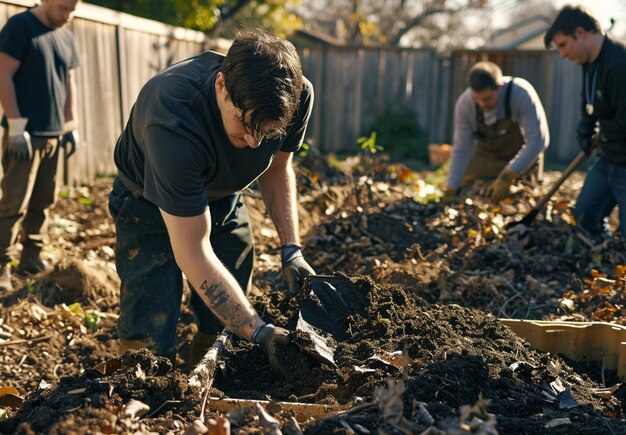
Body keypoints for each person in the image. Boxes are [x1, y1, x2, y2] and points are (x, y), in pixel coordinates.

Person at [108, 29, 316, 372]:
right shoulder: (172, 119)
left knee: (227, 311)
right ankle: (143, 389)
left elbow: (278, 168)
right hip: (146, 203)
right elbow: (194, 253)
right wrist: (259, 330)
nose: (253, 142)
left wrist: (291, 249)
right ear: (220, 86)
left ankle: (207, 377)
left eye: (265, 132)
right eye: (245, 123)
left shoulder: (296, 96)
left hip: (224, 196)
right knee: (149, 317)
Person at [0, 0, 80, 292]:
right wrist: (15, 126)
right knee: (13, 203)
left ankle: (31, 257)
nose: (68, 15)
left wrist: (71, 125)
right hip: (25, 134)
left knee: (43, 200)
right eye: (63, 8)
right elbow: (3, 74)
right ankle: (1, 266)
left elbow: (70, 81)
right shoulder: (21, 27)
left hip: (53, 135)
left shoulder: (65, 35)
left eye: (73, 9)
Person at [545, 5, 626, 237]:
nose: (562, 54)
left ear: (580, 32)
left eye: (562, 45)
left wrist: (602, 133)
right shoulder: (589, 62)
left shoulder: (620, 64)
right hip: (608, 159)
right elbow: (589, 103)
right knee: (584, 218)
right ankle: (602, 256)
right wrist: (585, 128)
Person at [443, 61, 550, 202]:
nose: (481, 104)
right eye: (477, 99)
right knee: (470, 193)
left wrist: (509, 174)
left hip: (522, 159)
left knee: (523, 196)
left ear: (499, 87)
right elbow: (461, 149)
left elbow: (538, 141)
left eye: (487, 98)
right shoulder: (465, 104)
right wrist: (452, 187)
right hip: (487, 158)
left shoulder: (520, 94)